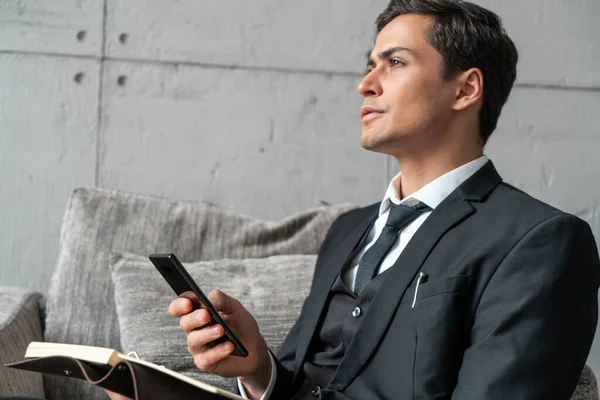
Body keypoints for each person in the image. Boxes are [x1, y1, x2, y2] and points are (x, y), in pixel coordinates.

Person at [168, 0, 600, 399]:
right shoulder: (347, 230)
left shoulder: (542, 241)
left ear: (466, 89)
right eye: (370, 65)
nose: (365, 85)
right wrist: (258, 368)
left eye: (395, 62)